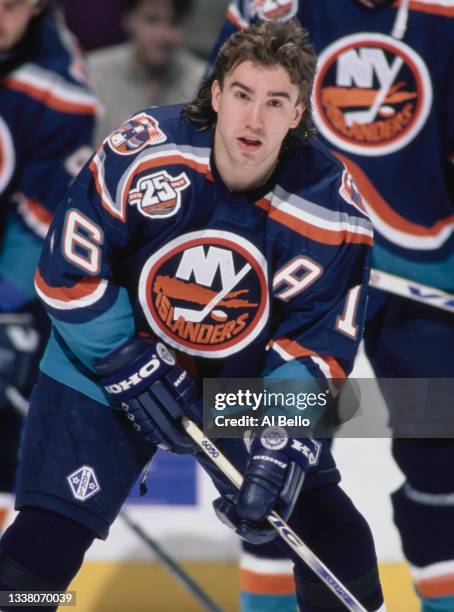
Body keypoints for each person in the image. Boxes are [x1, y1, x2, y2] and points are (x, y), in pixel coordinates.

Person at [0, 19, 385, 612]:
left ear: (299, 111)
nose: (254, 120)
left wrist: (280, 439)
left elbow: (316, 350)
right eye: (242, 95)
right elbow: (65, 273)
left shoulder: (334, 211)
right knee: (43, 550)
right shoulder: (146, 149)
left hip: (237, 385)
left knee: (332, 538)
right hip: (109, 363)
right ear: (216, 93)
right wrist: (124, 355)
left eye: (275, 101)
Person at [210, 2, 454, 611]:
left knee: (443, 472)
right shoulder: (271, 6)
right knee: (269, 469)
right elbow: (215, 123)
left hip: (424, 290)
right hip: (289, 276)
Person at [0, 0, 98, 533]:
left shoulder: (61, 93)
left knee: (10, 447)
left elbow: (37, 230)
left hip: (9, 298)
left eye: (12, 4)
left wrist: (2, 314)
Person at [86, 0, 206, 145]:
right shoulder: (93, 73)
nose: (163, 34)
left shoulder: (203, 82)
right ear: (129, 19)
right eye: (152, 20)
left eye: (174, 22)